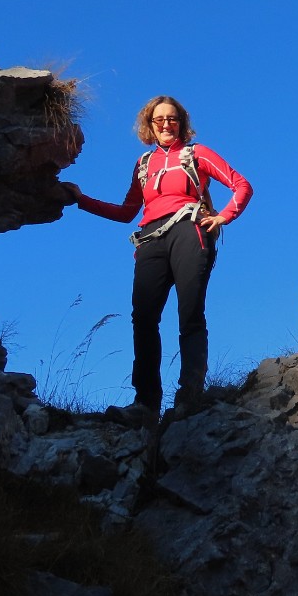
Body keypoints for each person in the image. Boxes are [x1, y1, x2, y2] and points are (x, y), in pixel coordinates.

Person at [62, 95, 252, 419]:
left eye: (172, 118)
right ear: (149, 125)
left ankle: (189, 397)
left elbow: (241, 185)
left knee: (190, 313)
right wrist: (81, 200)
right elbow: (126, 212)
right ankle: (146, 404)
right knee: (144, 318)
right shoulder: (143, 164)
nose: (166, 124)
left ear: (182, 123)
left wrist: (223, 217)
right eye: (159, 119)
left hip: (188, 231)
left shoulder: (197, 154)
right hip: (150, 240)